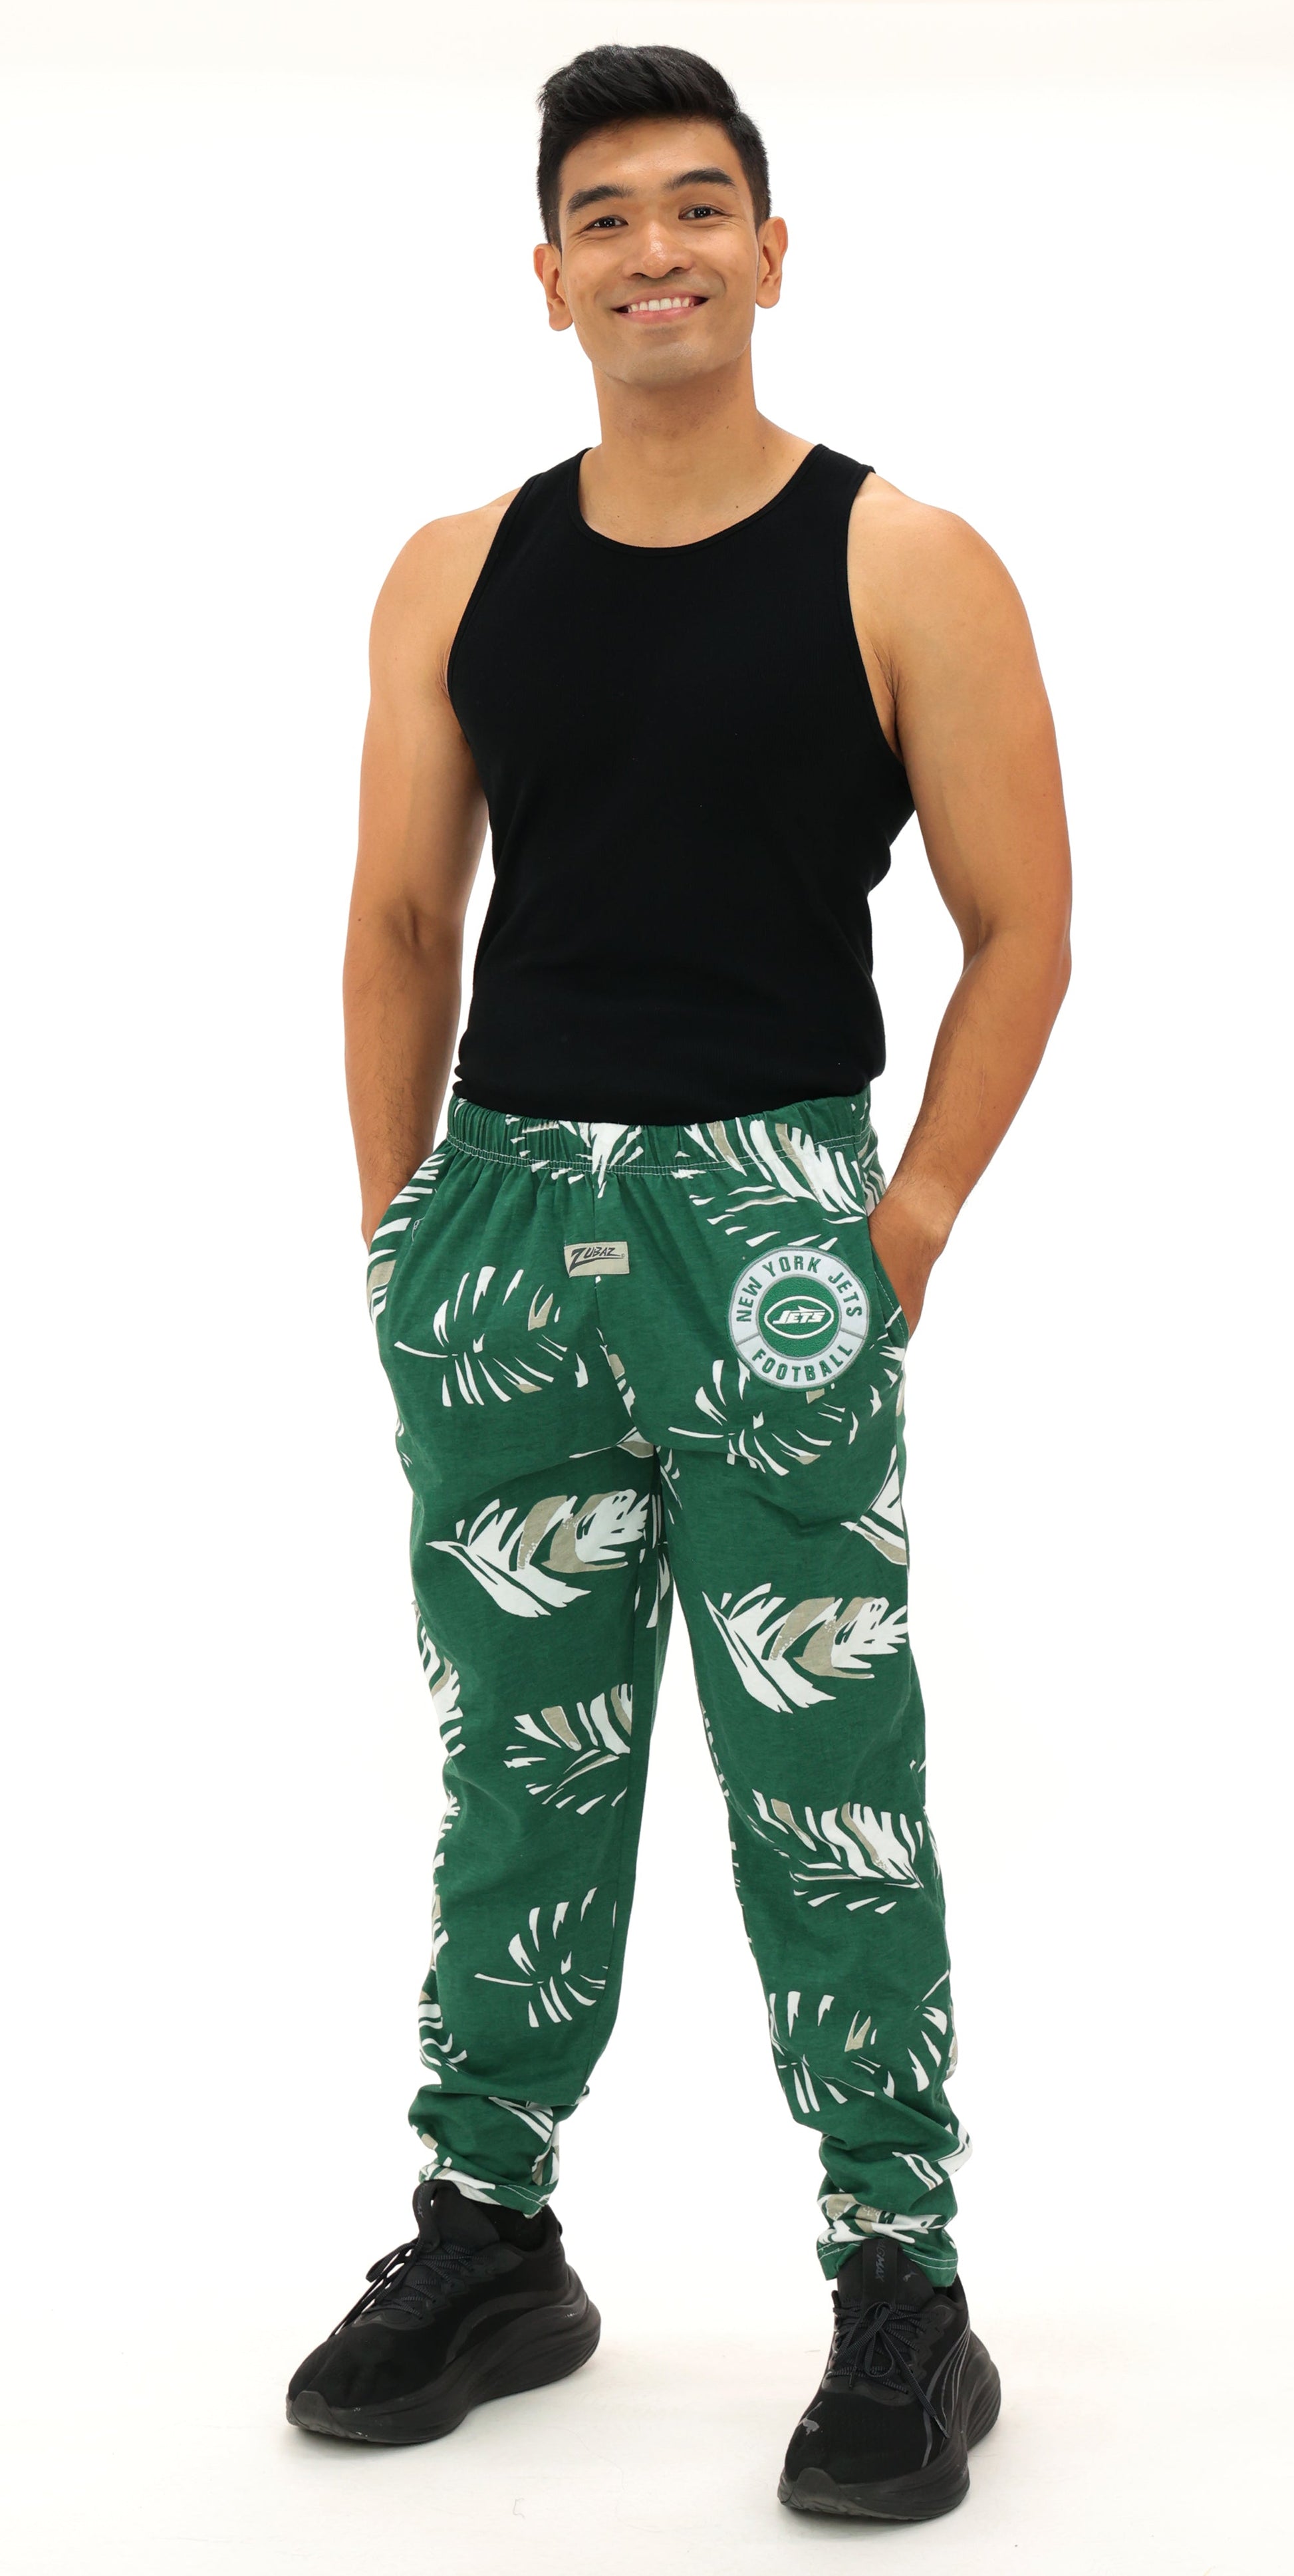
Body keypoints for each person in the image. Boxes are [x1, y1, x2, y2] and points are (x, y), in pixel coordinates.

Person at [287, 41, 1071, 2523]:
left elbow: (1022, 925)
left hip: (771, 1224)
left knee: (823, 1764)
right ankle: (488, 2231)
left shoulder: (901, 558)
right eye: (608, 215)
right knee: (517, 1755)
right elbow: (398, 919)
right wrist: (402, 1233)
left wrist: (899, 1219)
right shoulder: (457, 567)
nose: (658, 249)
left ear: (769, 250)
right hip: (505, 1216)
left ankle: (899, 2279)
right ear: (549, 278)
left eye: (699, 203)